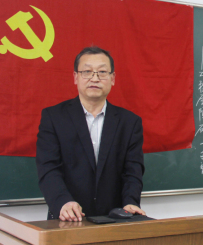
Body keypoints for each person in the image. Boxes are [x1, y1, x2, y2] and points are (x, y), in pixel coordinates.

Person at [36, 46, 145, 221]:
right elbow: (48, 167)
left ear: (112, 78)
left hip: (115, 219)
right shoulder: (54, 117)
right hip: (67, 218)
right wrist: (63, 202)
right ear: (75, 77)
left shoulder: (129, 122)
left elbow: (133, 171)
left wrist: (130, 202)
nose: (95, 78)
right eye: (87, 72)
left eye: (102, 72)